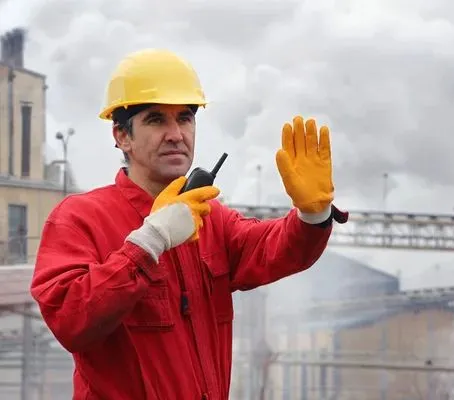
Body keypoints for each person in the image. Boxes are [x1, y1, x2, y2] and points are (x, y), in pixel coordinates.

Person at [30, 49, 347, 400]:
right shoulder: (80, 218)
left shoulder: (210, 217)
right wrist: (150, 241)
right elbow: (70, 319)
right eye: (156, 120)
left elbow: (275, 248)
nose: (176, 134)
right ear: (121, 136)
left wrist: (312, 215)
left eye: (185, 118)